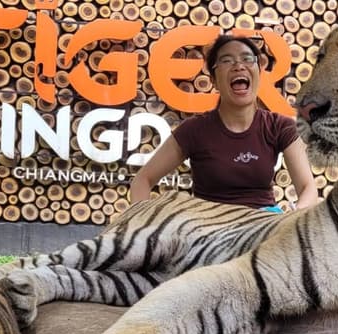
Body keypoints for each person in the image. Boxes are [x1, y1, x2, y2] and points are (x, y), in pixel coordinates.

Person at [129, 35, 320, 213]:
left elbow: (307, 188)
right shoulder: (194, 130)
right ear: (214, 80)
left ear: (258, 74)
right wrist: (143, 225)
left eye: (247, 59)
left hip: (262, 227)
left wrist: (292, 217)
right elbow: (142, 180)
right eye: (227, 60)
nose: (239, 66)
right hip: (209, 234)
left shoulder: (280, 126)